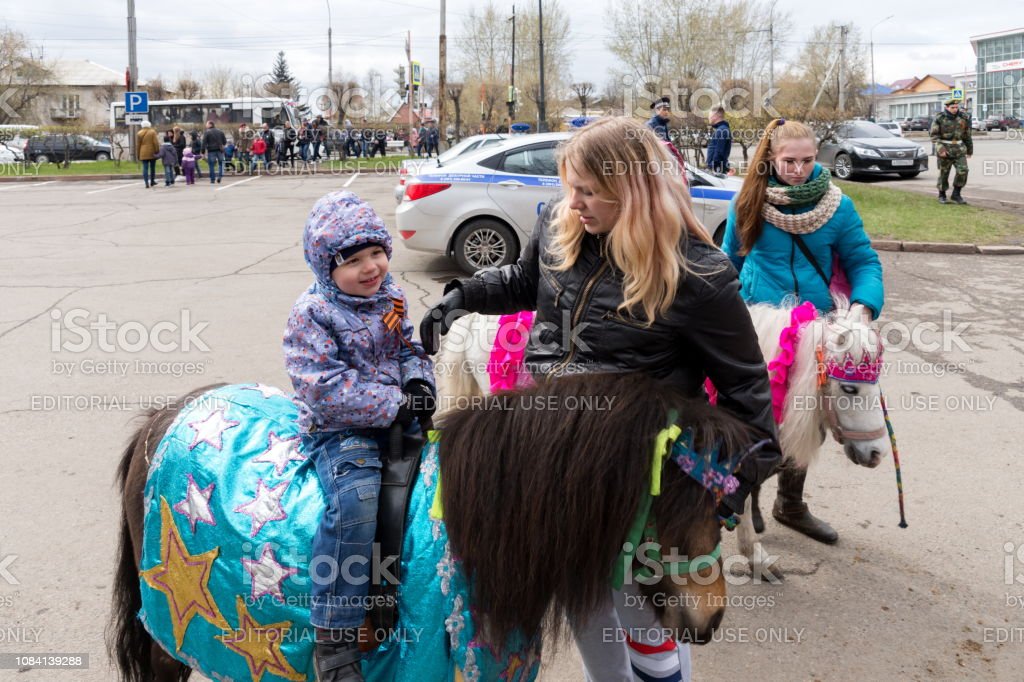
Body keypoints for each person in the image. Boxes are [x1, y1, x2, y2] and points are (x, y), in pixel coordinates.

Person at [420, 117, 781, 682]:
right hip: (554, 458)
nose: (575, 203)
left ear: (633, 190)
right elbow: (525, 278)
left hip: (635, 481)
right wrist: (465, 295)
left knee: (644, 622)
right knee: (586, 607)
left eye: (589, 191)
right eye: (571, 187)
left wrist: (718, 494)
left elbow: (751, 402)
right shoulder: (562, 222)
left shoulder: (697, 274)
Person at [284, 191, 435, 682]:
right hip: (342, 431)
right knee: (355, 504)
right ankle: (336, 638)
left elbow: (410, 348)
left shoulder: (390, 294)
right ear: (327, 267)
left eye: (377, 252)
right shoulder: (312, 314)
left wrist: (418, 382)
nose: (371, 267)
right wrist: (393, 403)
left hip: (401, 419)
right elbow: (323, 389)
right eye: (353, 260)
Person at [722, 117, 884, 544]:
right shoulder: (747, 202)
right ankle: (749, 497)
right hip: (759, 328)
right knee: (758, 415)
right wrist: (729, 314)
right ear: (771, 159)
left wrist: (864, 307)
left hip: (818, 329)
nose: (798, 169)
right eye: (788, 161)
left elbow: (863, 261)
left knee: (810, 418)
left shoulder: (838, 206)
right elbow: (727, 267)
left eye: (807, 160)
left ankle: (790, 504)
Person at [930, 97, 973, 204]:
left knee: (963, 171)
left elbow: (967, 135)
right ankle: (942, 194)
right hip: (945, 149)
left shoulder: (963, 117)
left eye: (956, 107)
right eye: (952, 107)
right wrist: (940, 149)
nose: (955, 109)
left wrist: (969, 150)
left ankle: (956, 194)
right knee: (944, 173)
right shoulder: (940, 118)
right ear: (947, 107)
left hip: (959, 149)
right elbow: (934, 136)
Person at [705, 106, 732, 173]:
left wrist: (714, 168)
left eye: (709, 115)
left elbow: (719, 152)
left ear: (715, 116)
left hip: (717, 171)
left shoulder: (721, 130)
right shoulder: (722, 129)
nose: (708, 118)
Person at [136, 121, 159, 188]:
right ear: (149, 125)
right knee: (152, 168)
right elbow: (156, 143)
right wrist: (157, 151)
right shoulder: (152, 132)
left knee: (145, 168)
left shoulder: (139, 133)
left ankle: (146, 183)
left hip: (143, 152)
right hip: (152, 152)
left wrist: (138, 154)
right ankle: (152, 181)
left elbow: (138, 145)